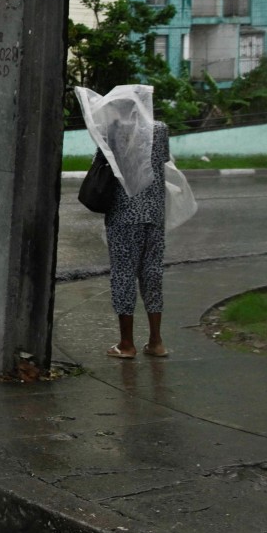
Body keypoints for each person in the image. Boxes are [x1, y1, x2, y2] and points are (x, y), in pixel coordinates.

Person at [96, 100, 171, 360]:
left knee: (124, 274)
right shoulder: (160, 129)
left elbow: (102, 165)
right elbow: (162, 161)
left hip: (123, 213)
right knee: (152, 272)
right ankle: (156, 342)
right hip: (154, 212)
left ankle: (126, 344)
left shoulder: (111, 131)